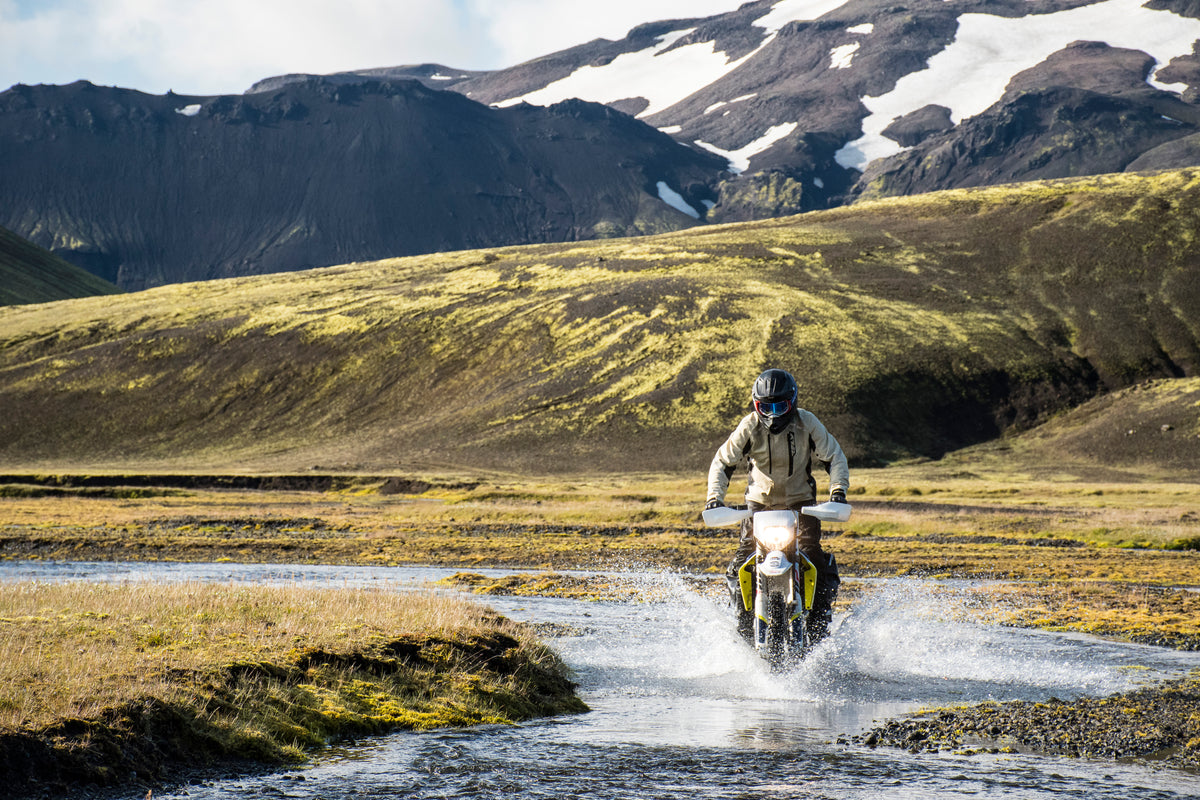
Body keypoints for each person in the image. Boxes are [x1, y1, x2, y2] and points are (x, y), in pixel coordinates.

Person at [705, 367, 849, 646]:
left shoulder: (807, 422)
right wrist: (714, 498)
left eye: (779, 406)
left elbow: (834, 457)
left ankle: (819, 625)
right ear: (755, 405)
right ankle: (743, 624)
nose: (772, 413)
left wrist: (838, 491)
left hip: (801, 505)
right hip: (759, 506)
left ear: (792, 402)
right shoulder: (748, 425)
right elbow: (723, 462)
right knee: (741, 564)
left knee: (814, 559)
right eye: (764, 406)